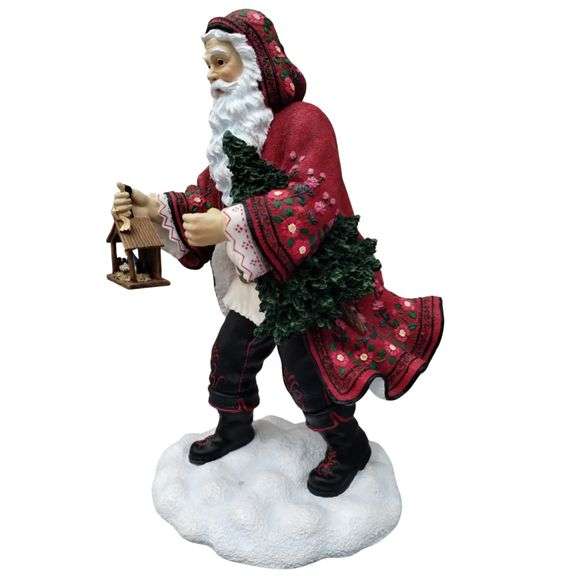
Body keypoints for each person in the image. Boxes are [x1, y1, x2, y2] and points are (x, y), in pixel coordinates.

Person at [111, 9, 444, 498]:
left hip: (302, 285)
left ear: (253, 65)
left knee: (308, 374)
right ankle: (233, 427)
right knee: (230, 358)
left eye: (221, 62)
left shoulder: (305, 122)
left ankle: (348, 446)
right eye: (208, 65)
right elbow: (207, 195)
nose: (212, 76)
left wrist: (230, 223)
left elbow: (314, 195)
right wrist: (151, 205)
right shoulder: (236, 137)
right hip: (256, 285)